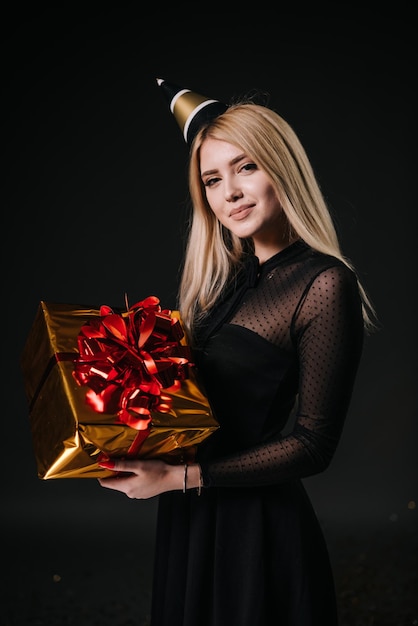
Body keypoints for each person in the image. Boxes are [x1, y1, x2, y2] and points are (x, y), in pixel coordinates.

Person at [97, 78, 377, 626]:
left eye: (246, 167)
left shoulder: (324, 284)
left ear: (282, 169)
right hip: (191, 518)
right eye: (213, 179)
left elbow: (314, 445)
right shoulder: (223, 282)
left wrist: (179, 477)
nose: (231, 192)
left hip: (256, 532)